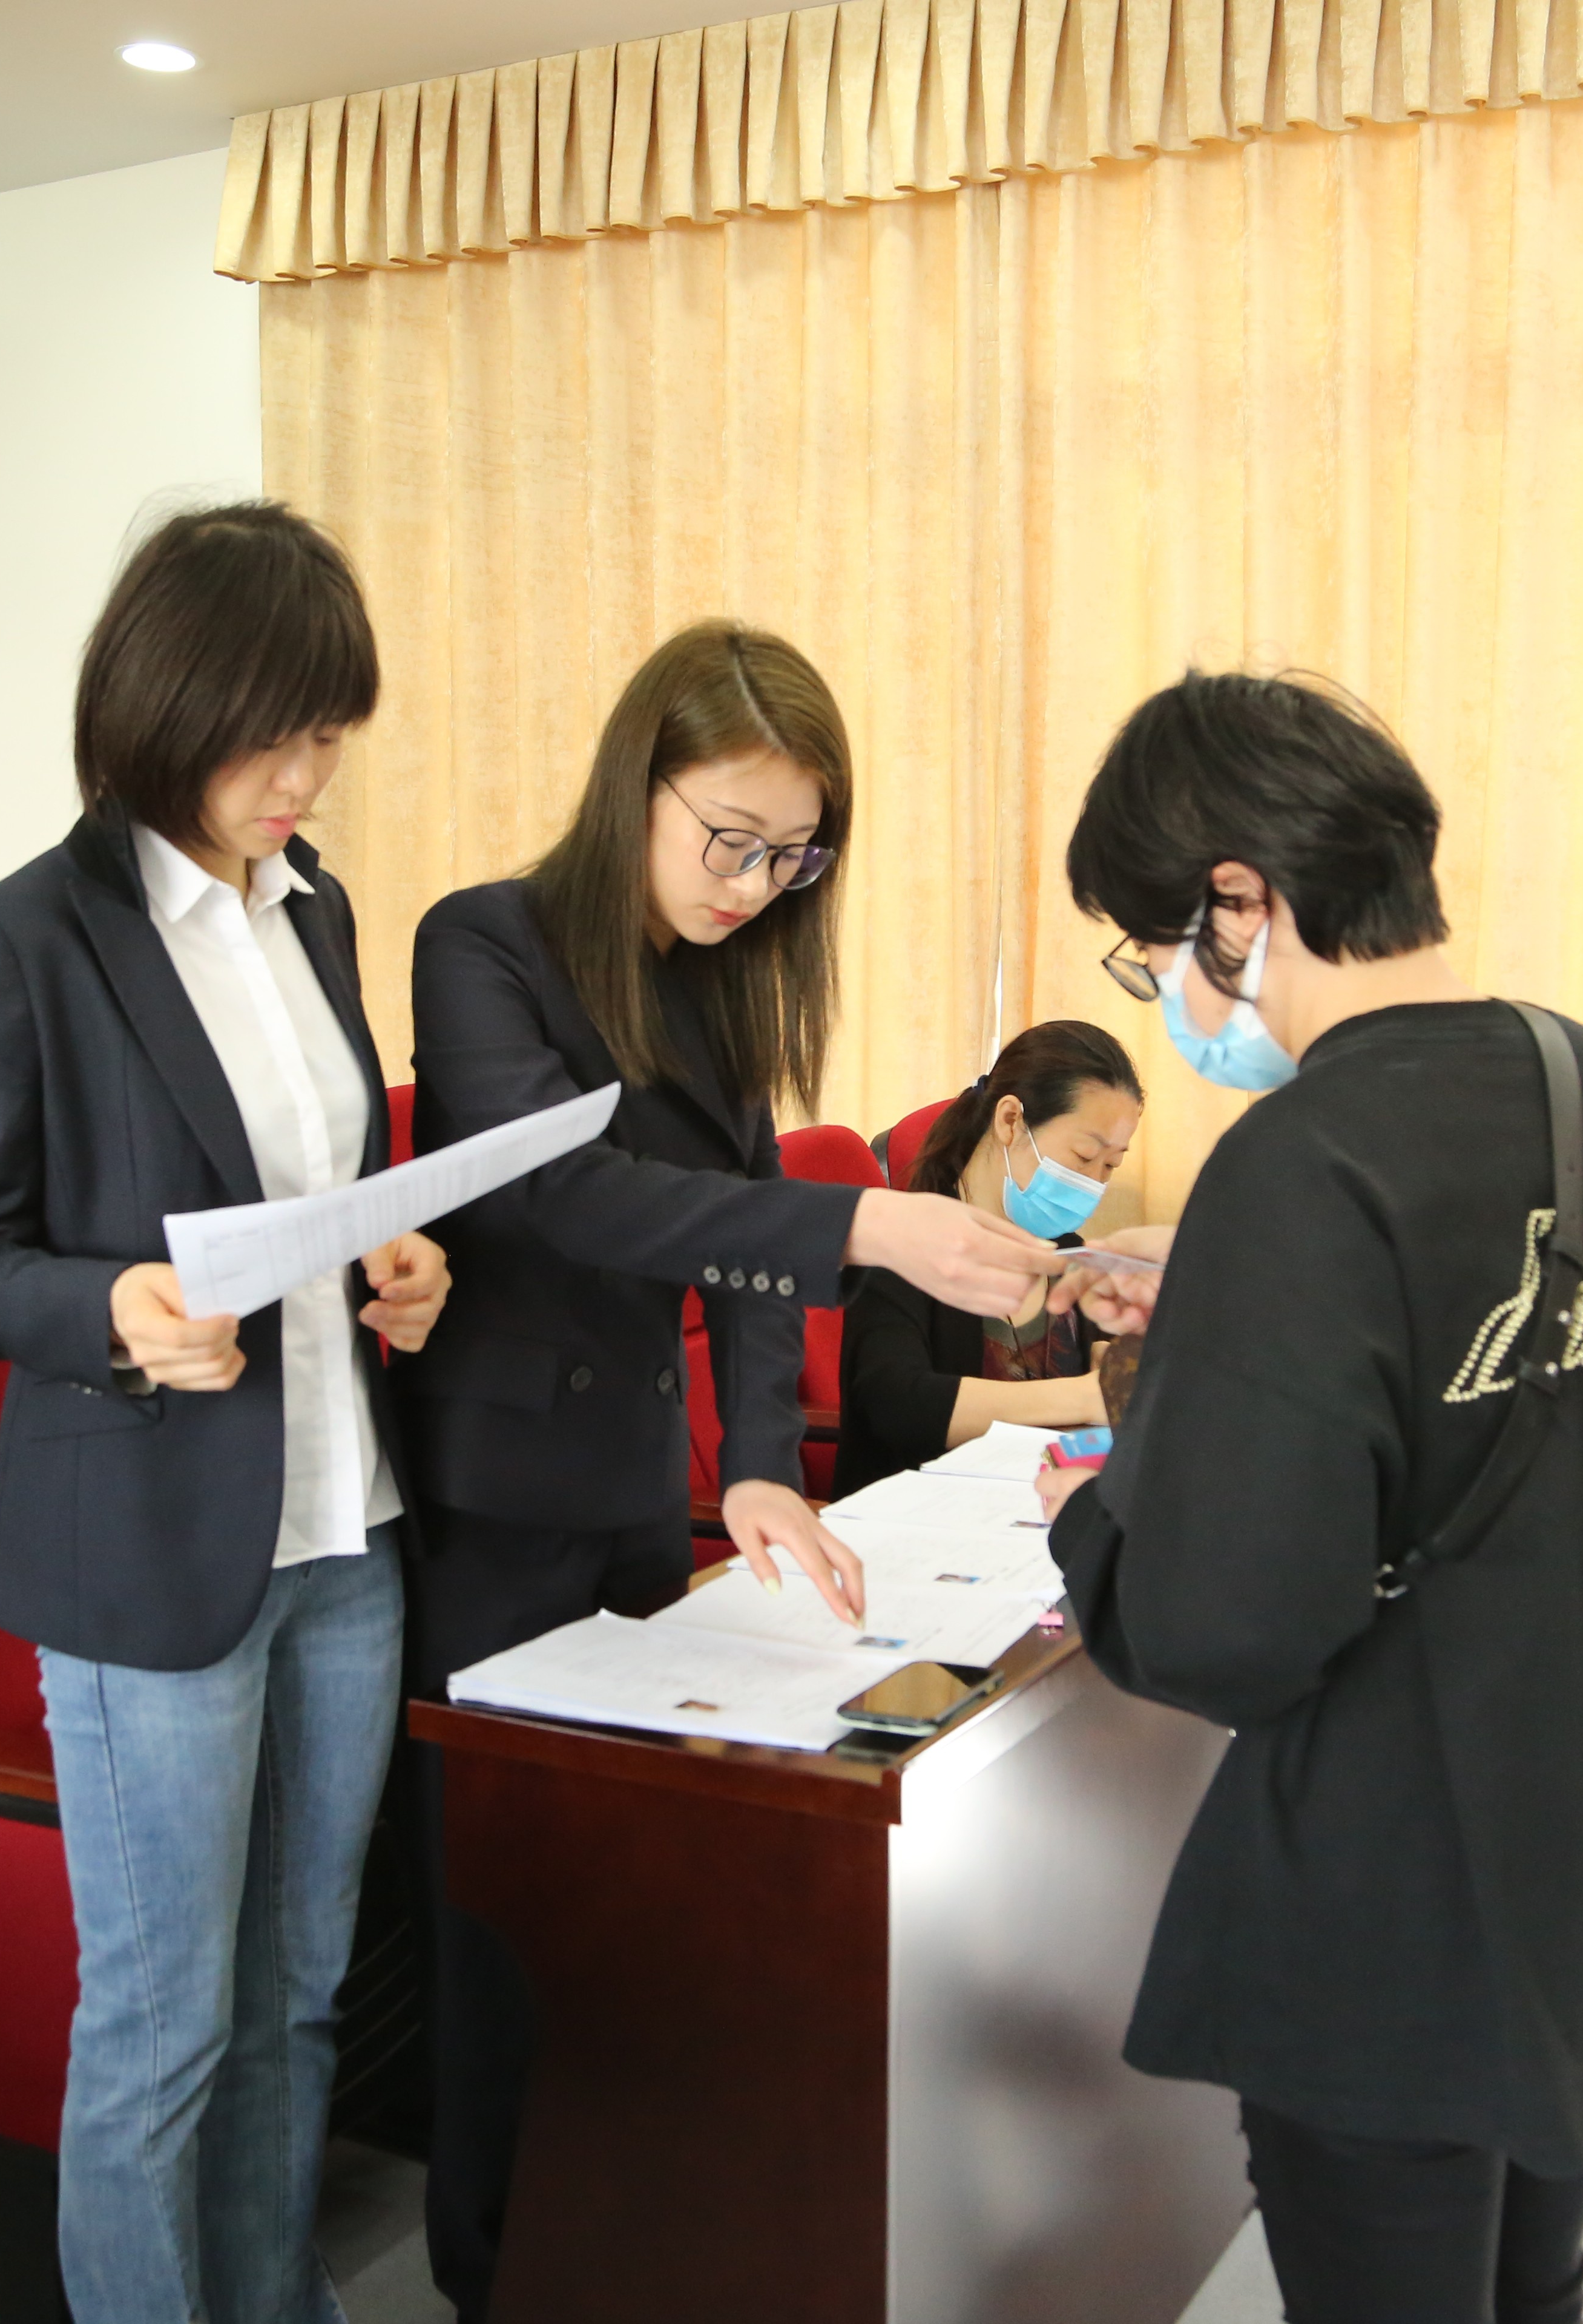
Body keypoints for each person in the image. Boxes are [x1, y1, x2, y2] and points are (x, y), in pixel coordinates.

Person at [1033, 671, 1583, 2324]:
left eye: (1152, 952)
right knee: (1531, 2287)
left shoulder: (1299, 1159)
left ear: (1239, 901)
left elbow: (1223, 1625)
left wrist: (1114, 1476)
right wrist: (1226, 1323)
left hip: (1405, 1906)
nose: (1169, 997)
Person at [397, 619, 1065, 2319]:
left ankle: (629, 2240)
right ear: (641, 782)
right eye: (730, 839)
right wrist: (865, 1224)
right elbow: (562, 1195)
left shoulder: (718, 983)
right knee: (506, 1922)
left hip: (636, 1487)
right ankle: (490, 2271)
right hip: (492, 1499)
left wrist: (763, 1463)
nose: (754, 885)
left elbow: (746, 1250)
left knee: (640, 1903)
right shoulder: (483, 943)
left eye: (792, 856)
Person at [0, 502, 452, 2324]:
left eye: (328, 736)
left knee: (296, 1997)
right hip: (149, 1556)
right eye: (271, 736)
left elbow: (323, 1185)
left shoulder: (318, 910)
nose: (303, 777)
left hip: (344, 1528)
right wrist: (115, 1311)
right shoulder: (19, 938)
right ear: (165, 705)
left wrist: (399, 1263)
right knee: (162, 2027)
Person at [833, 1020, 1142, 1493]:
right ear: (1011, 1121)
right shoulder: (901, 1247)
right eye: (1085, 1157)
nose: (1094, 1183)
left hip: (1037, 1508)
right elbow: (898, 1404)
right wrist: (1082, 1397)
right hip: (922, 1513)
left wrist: (1112, 1358)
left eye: (1111, 1165)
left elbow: (1100, 1379)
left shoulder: (1064, 1252)